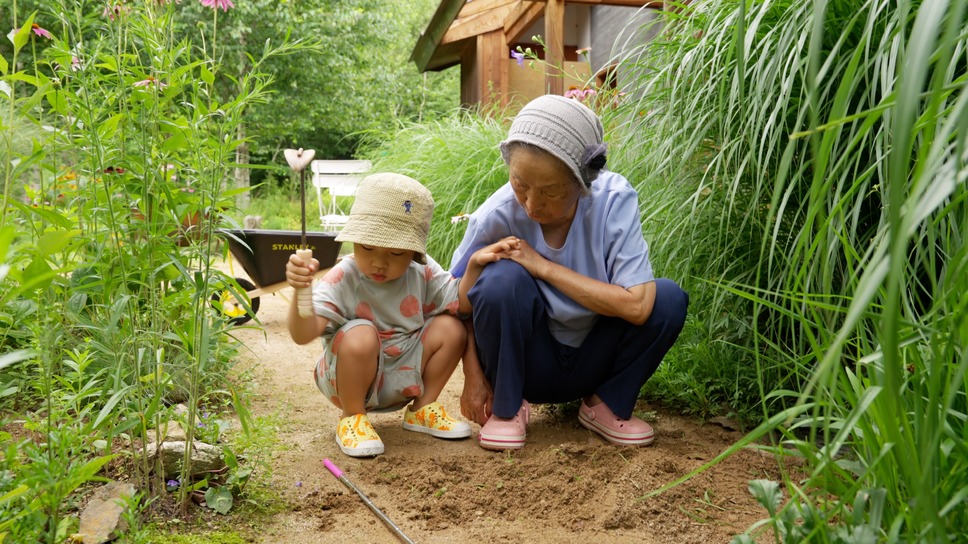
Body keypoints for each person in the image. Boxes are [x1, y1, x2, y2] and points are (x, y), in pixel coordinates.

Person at [450, 94, 689, 451]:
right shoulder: (496, 214)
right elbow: (454, 303)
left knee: (666, 298)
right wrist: (473, 376)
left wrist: (543, 266)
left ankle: (604, 405)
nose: (532, 204)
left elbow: (638, 306)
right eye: (520, 185)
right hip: (528, 361)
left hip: (595, 356)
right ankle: (508, 408)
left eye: (550, 191)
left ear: (581, 181)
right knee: (501, 280)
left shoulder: (613, 199)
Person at [286, 172, 516, 457]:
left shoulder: (420, 272)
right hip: (350, 376)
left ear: (413, 252)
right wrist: (301, 292)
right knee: (361, 334)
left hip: (404, 372)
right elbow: (302, 334)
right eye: (368, 247)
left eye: (396, 253)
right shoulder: (345, 276)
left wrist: (473, 267)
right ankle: (352, 418)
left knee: (451, 328)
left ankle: (421, 409)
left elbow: (461, 303)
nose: (379, 262)